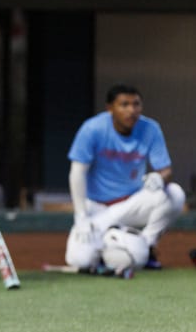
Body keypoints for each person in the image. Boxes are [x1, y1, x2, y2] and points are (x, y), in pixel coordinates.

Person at [65, 84, 185, 271]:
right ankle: (111, 245)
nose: (131, 110)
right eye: (124, 105)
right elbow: (77, 172)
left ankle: (146, 246)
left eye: (136, 104)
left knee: (175, 194)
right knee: (81, 261)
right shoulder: (92, 128)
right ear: (110, 108)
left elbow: (166, 171)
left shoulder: (151, 128)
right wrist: (80, 216)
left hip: (130, 204)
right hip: (96, 207)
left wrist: (160, 178)